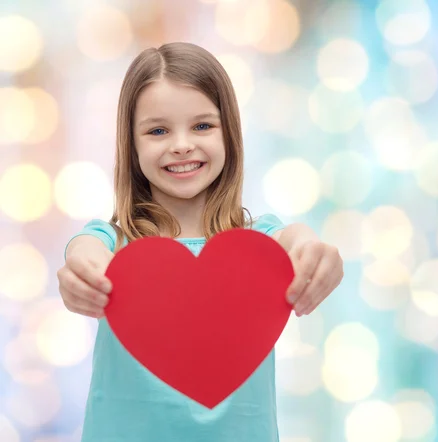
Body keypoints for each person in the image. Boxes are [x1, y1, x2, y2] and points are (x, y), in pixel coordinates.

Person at [56, 42, 344, 441]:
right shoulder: (116, 245)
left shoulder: (256, 244)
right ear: (132, 143)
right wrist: (83, 274)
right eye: (158, 130)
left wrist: (313, 249)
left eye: (202, 126)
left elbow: (294, 241)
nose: (181, 144)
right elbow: (84, 251)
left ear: (230, 134)